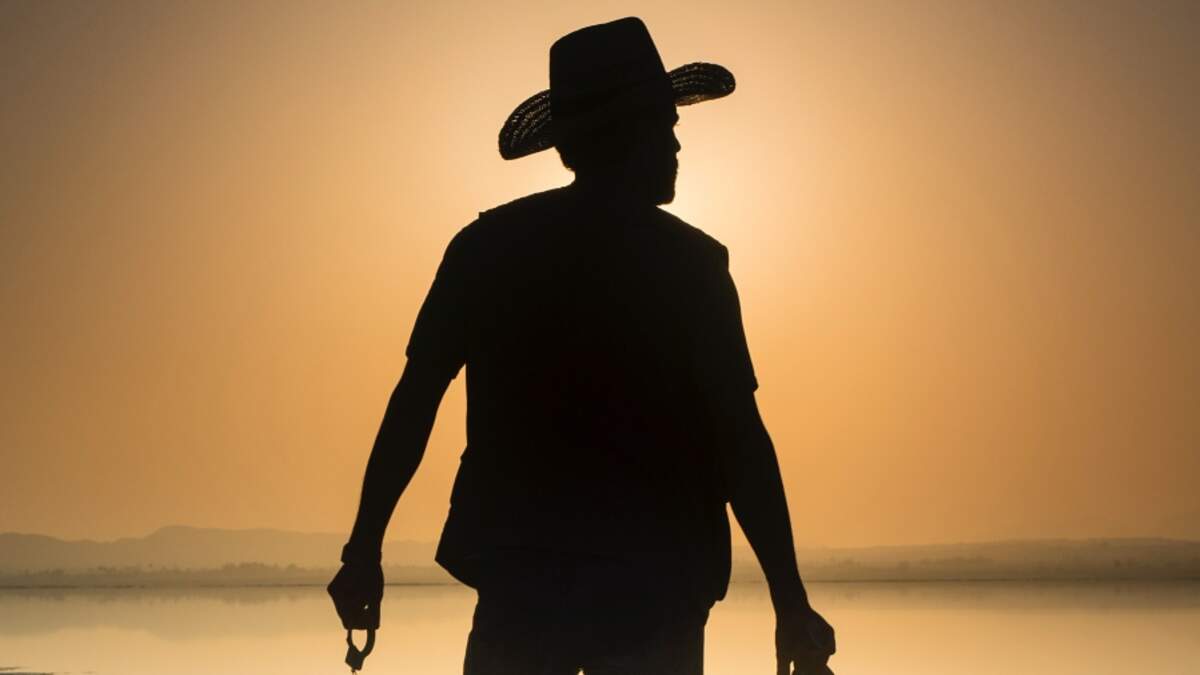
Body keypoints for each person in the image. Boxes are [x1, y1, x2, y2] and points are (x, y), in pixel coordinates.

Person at [328, 17, 836, 675]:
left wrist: (363, 550)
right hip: (653, 594)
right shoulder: (691, 268)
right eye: (664, 126)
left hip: (525, 588)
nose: (677, 143)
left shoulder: (485, 251)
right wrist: (789, 600)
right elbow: (740, 439)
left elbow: (415, 400)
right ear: (626, 135)